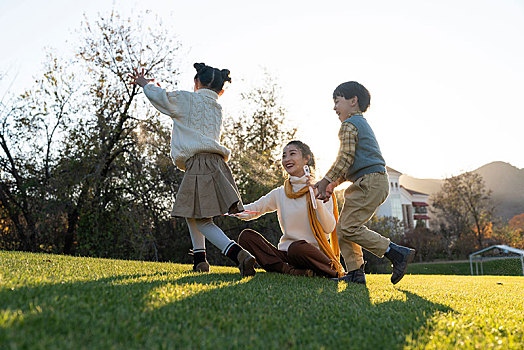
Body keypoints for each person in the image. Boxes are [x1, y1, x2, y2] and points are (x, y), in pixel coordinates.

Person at [129, 63, 256, 277]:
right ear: (221, 91)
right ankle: (200, 261)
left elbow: (164, 99)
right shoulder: (217, 108)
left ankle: (238, 254)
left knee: (202, 220)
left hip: (199, 163)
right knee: (192, 211)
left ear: (196, 83)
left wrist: (145, 84)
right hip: (215, 164)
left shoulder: (188, 98)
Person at [314, 81, 415, 285]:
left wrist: (326, 180)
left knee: (349, 227)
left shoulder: (349, 125)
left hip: (369, 182)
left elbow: (344, 158)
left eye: (337, 101)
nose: (334, 108)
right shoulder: (361, 124)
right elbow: (353, 163)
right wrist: (334, 183)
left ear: (353, 101)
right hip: (371, 180)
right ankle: (355, 273)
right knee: (345, 227)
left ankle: (395, 253)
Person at [234, 140, 346, 279]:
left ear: (306, 159)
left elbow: (329, 227)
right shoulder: (280, 193)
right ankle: (289, 270)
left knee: (297, 248)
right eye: (284, 156)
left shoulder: (322, 190)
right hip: (286, 254)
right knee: (247, 237)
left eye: (292, 154)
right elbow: (253, 210)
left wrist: (315, 196)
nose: (287, 159)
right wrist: (232, 209)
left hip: (308, 253)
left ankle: (326, 271)